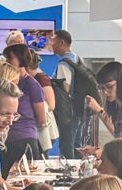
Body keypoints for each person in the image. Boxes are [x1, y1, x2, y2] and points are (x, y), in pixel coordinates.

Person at [0, 44, 45, 176]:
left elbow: (41, 118)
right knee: (7, 180)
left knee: (27, 180)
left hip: (25, 140)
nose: (7, 62)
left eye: (10, 58)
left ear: (21, 59)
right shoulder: (5, 83)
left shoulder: (32, 85)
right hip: (6, 142)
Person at [50, 29, 79, 157]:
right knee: (75, 144)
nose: (51, 44)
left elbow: (65, 88)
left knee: (67, 145)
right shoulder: (76, 58)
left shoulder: (64, 64)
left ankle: (69, 168)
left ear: (61, 42)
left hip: (67, 111)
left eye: (53, 41)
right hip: (77, 108)